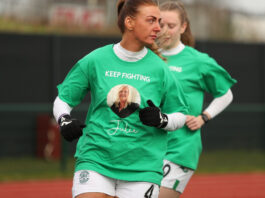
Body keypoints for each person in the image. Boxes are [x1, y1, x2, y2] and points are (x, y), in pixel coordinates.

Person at [53, 0, 189, 198]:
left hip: (143, 168)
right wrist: (63, 120)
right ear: (130, 22)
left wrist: (163, 120)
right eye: (151, 20)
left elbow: (181, 114)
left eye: (159, 21)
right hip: (95, 159)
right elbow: (63, 100)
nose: (158, 28)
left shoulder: (160, 69)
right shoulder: (95, 60)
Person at [156, 1, 237, 198]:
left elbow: (225, 94)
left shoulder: (198, 61)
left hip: (180, 148)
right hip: (149, 146)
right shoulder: (148, 56)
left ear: (183, 27)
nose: (164, 30)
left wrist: (204, 117)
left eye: (171, 25)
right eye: (160, 23)